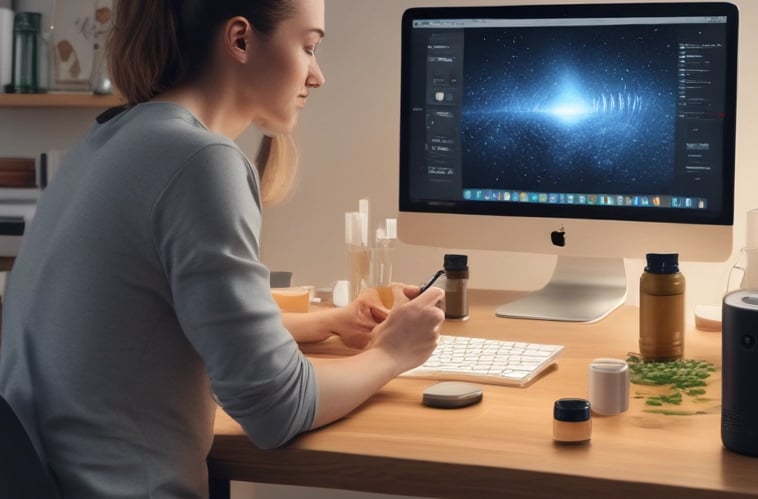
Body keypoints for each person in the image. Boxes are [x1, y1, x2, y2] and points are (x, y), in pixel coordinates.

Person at [0, 1, 445, 497]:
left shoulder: (112, 137)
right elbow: (275, 408)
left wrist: (327, 322)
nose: (316, 76)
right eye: (308, 47)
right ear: (240, 40)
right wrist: (391, 353)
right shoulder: (198, 160)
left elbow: (165, 314)